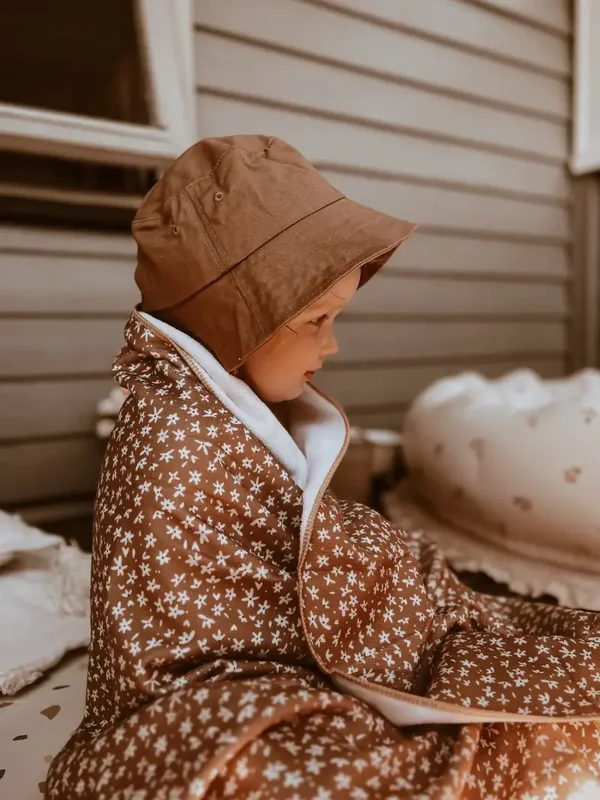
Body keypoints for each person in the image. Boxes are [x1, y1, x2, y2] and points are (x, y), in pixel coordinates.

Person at [47, 136, 600, 799]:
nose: (332, 344)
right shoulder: (175, 440)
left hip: (315, 622)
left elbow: (294, 537)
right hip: (200, 679)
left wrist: (384, 569)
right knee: (279, 759)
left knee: (490, 631)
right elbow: (197, 623)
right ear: (235, 319)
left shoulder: (226, 405)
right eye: (317, 320)